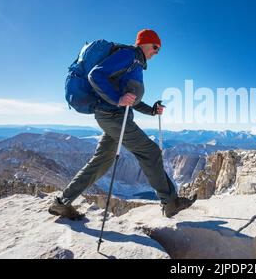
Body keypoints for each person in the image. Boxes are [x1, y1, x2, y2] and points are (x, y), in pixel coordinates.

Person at [48, 29, 196, 220]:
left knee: (101, 161)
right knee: (150, 152)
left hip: (113, 116)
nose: (157, 52)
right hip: (113, 117)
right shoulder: (129, 55)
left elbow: (129, 99)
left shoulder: (135, 63)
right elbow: (96, 76)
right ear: (144, 42)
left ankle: (62, 203)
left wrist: (151, 110)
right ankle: (170, 202)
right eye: (155, 47)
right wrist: (118, 98)